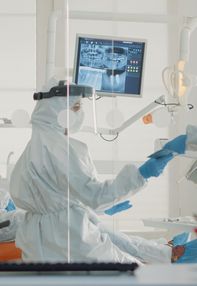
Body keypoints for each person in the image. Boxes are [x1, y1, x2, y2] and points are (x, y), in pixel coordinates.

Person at [9, 78, 191, 264]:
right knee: (134, 270)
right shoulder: (61, 148)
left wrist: (98, 205)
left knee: (120, 244)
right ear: (59, 111)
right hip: (68, 238)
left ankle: (168, 252)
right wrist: (142, 174)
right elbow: (96, 196)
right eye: (77, 107)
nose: (81, 113)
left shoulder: (36, 144)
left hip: (48, 234)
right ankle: (171, 253)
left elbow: (59, 196)